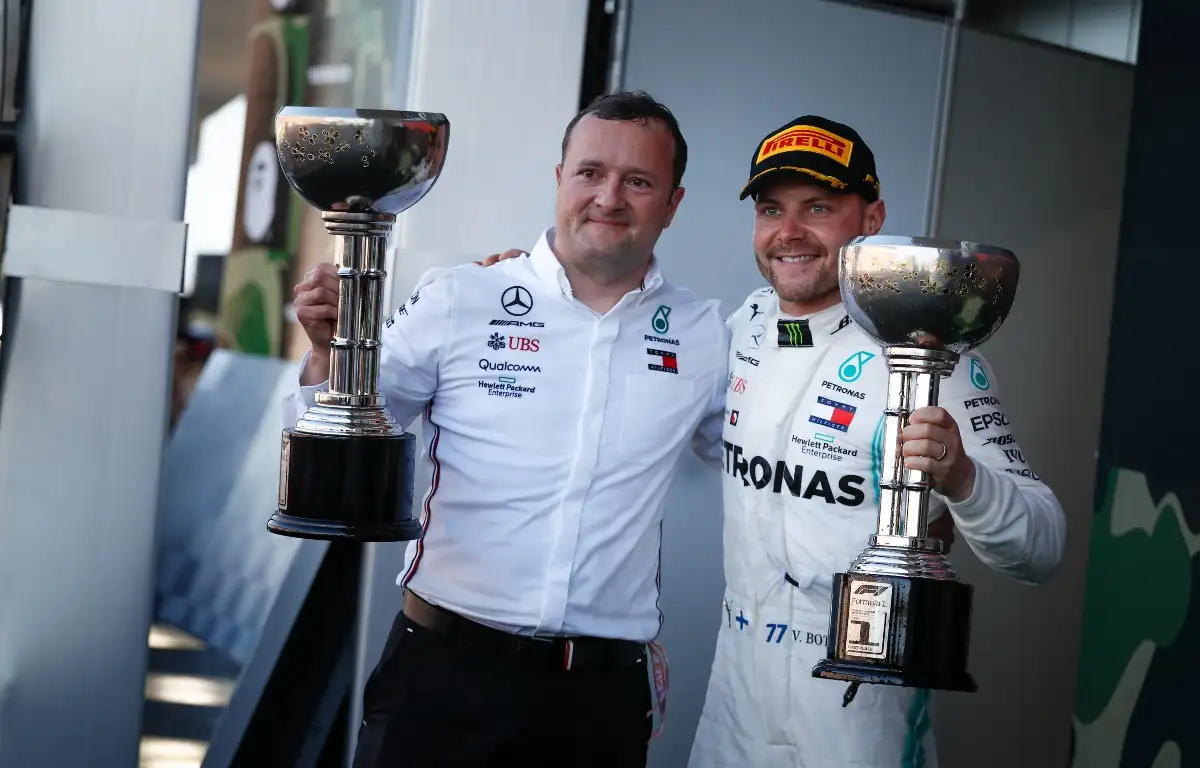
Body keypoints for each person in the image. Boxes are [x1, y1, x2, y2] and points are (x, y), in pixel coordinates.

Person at [286, 90, 730, 767]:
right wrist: (328, 355)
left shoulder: (705, 335)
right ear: (559, 181)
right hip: (442, 682)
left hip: (598, 702)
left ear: (672, 204)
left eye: (638, 181)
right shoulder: (460, 298)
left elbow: (765, 468)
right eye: (590, 172)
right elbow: (337, 447)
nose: (609, 197)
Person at [684, 116, 1068, 767]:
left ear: (870, 218)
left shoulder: (930, 351)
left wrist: (965, 484)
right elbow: (684, 423)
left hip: (857, 718)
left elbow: (1043, 547)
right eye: (772, 209)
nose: (789, 232)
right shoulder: (743, 326)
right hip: (732, 706)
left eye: (819, 208)